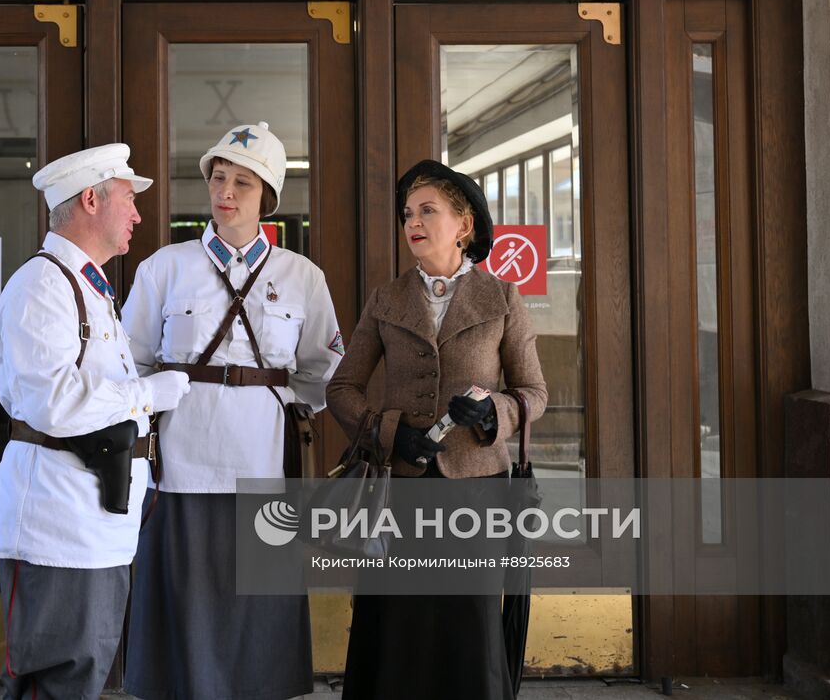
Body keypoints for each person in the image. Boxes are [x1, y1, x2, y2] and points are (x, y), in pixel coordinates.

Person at [121, 121, 344, 700]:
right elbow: (132, 363)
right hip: (181, 462)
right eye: (219, 177)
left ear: (267, 196)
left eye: (243, 182)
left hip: (263, 461)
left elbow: (322, 372)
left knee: (260, 610)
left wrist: (280, 408)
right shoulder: (164, 267)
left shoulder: (303, 276)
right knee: (186, 598)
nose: (226, 191)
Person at [324, 159, 548, 700]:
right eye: (407, 214)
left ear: (463, 225)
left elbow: (535, 394)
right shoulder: (386, 298)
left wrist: (494, 411)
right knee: (396, 624)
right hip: (399, 490)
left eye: (428, 211)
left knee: (468, 625)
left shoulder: (502, 298)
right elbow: (342, 389)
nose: (413, 223)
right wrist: (388, 434)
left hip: (477, 490)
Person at [0, 143, 192, 700]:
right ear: (91, 199)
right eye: (129, 199)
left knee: (82, 671)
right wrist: (149, 392)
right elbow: (52, 402)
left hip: (91, 522)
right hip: (56, 522)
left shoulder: (88, 285)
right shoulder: (42, 286)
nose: (139, 215)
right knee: (58, 675)